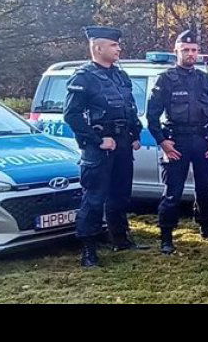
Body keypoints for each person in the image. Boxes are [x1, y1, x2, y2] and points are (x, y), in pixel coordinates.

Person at [64, 26, 146, 268]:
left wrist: (135, 133)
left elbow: (129, 108)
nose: (119, 48)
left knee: (120, 195)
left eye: (118, 44)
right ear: (98, 48)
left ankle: (120, 238)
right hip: (99, 147)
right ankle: (88, 251)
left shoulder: (121, 76)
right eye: (113, 45)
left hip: (122, 144)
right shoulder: (83, 78)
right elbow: (72, 115)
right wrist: (98, 140)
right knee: (94, 198)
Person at [146, 30, 208, 254]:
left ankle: (206, 227)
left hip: (201, 140)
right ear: (176, 51)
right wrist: (162, 142)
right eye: (186, 50)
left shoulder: (203, 78)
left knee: (205, 189)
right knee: (173, 192)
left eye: (194, 50)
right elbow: (152, 116)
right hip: (176, 141)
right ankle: (166, 237)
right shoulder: (166, 79)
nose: (191, 54)